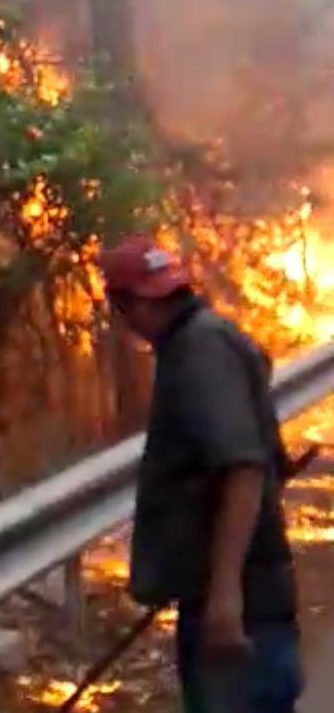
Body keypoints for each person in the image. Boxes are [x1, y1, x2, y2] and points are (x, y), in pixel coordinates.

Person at [99, 234, 303, 713]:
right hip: (243, 601)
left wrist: (225, 597)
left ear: (125, 304)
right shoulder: (207, 338)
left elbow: (242, 466)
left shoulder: (198, 352)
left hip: (241, 612)